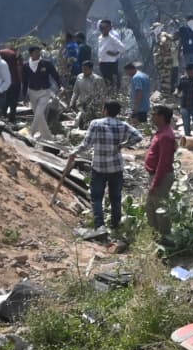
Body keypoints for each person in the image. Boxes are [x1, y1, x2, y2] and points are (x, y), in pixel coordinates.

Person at [63, 100, 141, 235]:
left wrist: (74, 152)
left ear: (105, 109)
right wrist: (123, 145)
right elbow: (138, 137)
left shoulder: (96, 123)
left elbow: (86, 144)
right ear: (118, 112)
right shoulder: (123, 125)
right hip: (116, 167)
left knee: (97, 197)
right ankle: (116, 225)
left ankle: (100, 226)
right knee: (115, 197)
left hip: (99, 167)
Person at [142, 105, 178, 238]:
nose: (152, 117)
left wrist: (155, 183)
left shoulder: (165, 136)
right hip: (156, 175)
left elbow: (164, 162)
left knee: (160, 209)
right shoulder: (161, 132)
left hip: (161, 176)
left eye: (154, 115)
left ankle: (165, 236)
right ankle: (154, 235)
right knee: (151, 207)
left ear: (161, 117)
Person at [21, 44, 63, 136]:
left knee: (39, 114)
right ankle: (48, 137)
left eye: (39, 52)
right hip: (32, 93)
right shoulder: (26, 66)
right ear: (31, 54)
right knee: (39, 116)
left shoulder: (46, 64)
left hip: (44, 92)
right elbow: (24, 82)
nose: (38, 54)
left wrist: (60, 85)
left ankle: (31, 134)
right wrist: (25, 95)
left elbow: (55, 75)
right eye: (36, 52)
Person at [95, 19, 125, 87]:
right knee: (106, 82)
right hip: (102, 62)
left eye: (105, 27)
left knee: (112, 82)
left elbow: (122, 48)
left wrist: (115, 54)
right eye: (101, 27)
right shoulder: (100, 37)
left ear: (109, 27)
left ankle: (115, 94)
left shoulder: (113, 36)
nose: (102, 29)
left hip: (110, 63)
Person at [175, 64, 193, 137]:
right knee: (186, 123)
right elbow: (178, 88)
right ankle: (187, 137)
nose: (189, 73)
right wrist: (176, 92)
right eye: (188, 71)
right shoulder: (183, 79)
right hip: (184, 105)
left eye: (191, 71)